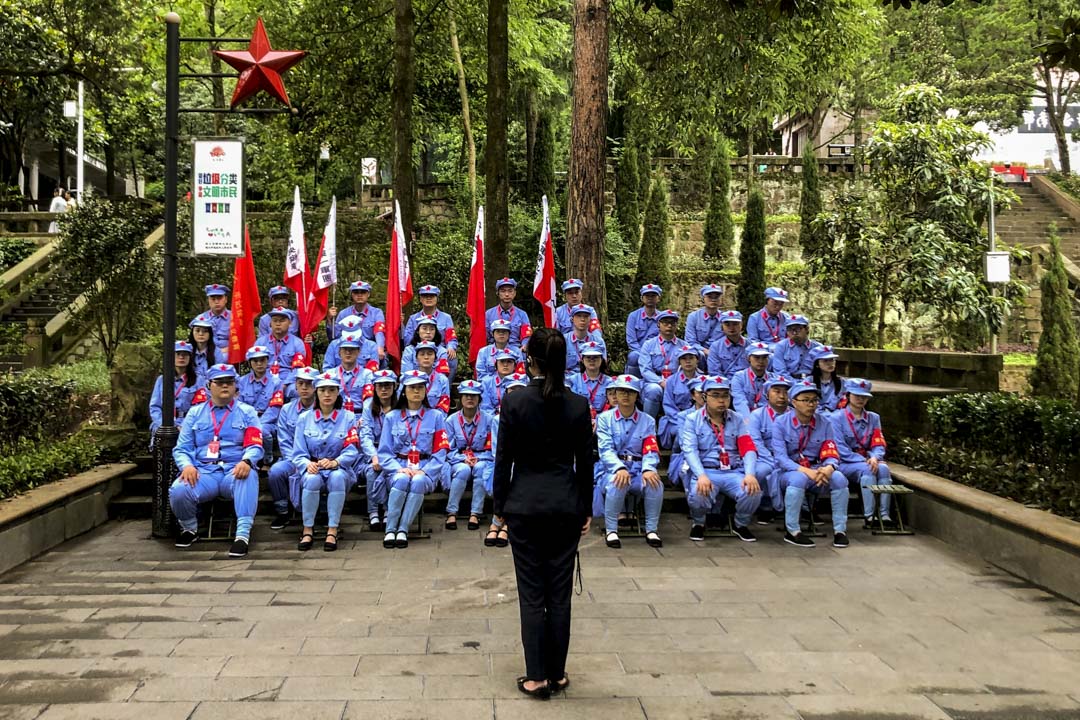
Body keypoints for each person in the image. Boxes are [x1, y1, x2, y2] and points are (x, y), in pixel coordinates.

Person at [493, 327, 593, 700]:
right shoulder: (578, 404)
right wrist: (586, 507)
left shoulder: (515, 401)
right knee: (560, 594)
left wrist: (499, 507)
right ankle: (557, 672)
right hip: (565, 505)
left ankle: (536, 676)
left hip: (525, 507)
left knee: (533, 593)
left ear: (530, 360)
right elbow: (586, 464)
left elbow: (504, 460)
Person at [170, 363, 264, 557]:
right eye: (219, 382)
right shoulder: (195, 414)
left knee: (248, 476)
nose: (225, 386)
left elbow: (255, 445)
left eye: (229, 382)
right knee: (179, 489)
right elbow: (182, 448)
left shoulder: (247, 412)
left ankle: (242, 535)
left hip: (233, 470)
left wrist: (247, 461)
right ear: (208, 385)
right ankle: (189, 528)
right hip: (204, 471)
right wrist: (186, 465)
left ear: (235, 385)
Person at [679, 376, 762, 542]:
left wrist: (750, 474)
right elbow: (690, 451)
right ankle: (699, 523)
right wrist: (701, 475)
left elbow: (748, 448)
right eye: (715, 395)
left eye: (725, 395)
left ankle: (741, 524)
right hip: (707, 469)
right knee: (698, 494)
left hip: (732, 470)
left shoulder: (737, 419)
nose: (721, 400)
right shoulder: (692, 419)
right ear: (705, 397)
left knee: (753, 491)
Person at [771, 379, 850, 548]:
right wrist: (806, 471)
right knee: (798, 479)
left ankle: (840, 531)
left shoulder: (825, 423)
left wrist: (829, 467)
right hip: (791, 471)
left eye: (814, 400)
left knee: (839, 478)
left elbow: (832, 451)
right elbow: (780, 458)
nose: (811, 404)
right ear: (793, 402)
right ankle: (792, 531)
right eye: (806, 400)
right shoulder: (780, 423)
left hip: (817, 470)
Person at [378, 370, 450, 549]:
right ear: (404, 390)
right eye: (412, 387)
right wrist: (397, 468)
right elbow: (384, 452)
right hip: (399, 467)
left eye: (420, 387)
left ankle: (403, 529)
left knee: (417, 481)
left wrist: (424, 470)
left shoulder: (436, 417)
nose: (416, 391)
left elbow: (441, 451)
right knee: (402, 479)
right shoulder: (391, 417)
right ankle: (390, 529)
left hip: (425, 467)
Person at [293, 372, 360, 552]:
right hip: (313, 467)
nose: (327, 394)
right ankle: (307, 530)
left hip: (338, 467)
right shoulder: (304, 419)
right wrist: (307, 464)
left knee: (337, 477)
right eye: (323, 390)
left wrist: (337, 462)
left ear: (338, 392)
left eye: (332, 390)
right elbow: (298, 452)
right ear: (316, 392)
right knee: (312, 479)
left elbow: (352, 449)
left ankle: (332, 529)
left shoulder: (348, 417)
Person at [597, 375, 663, 548]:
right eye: (621, 391)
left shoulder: (647, 420)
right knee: (617, 482)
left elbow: (650, 448)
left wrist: (648, 468)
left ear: (637, 395)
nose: (626, 395)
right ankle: (612, 530)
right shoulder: (604, 418)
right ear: (615, 394)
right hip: (613, 469)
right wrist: (618, 467)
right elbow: (605, 449)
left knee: (655, 483)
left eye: (631, 392)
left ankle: (652, 529)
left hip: (638, 468)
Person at [830, 378, 893, 528]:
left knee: (884, 469)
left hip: (869, 460)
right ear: (848, 395)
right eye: (857, 395)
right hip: (846, 463)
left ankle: (884, 514)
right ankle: (869, 516)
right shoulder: (836, 418)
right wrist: (865, 460)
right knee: (868, 470)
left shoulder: (873, 418)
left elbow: (878, 442)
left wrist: (875, 457)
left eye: (864, 396)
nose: (860, 399)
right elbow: (841, 449)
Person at [267, 366, 318, 530]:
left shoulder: (322, 409)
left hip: (317, 461)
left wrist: (312, 463)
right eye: (301, 383)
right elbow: (284, 439)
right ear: (295, 385)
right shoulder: (287, 409)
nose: (304, 388)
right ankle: (282, 512)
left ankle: (320, 512)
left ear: (316, 386)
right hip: (293, 459)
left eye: (309, 384)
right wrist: (297, 462)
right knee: (275, 472)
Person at [483, 373, 529, 548]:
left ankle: (505, 524)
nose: (516, 393)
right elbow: (497, 449)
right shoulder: (497, 419)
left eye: (520, 389)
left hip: (525, 462)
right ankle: (498, 520)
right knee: (503, 476)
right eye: (512, 389)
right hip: (504, 461)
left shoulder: (531, 415)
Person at [443, 380, 494, 531]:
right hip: (459, 458)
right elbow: (447, 448)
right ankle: (452, 512)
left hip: (481, 458)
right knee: (463, 470)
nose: (470, 399)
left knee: (480, 469)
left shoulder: (489, 420)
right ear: (460, 398)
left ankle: (475, 513)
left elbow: (492, 448)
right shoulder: (451, 420)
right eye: (466, 395)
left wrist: (479, 458)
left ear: (479, 399)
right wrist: (462, 459)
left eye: (474, 396)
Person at [747, 375, 792, 523]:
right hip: (765, 456)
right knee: (762, 471)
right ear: (767, 394)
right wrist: (772, 459)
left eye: (785, 392)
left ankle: (802, 508)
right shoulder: (757, 415)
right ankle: (765, 506)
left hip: (790, 456)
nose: (782, 396)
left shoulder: (794, 414)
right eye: (777, 391)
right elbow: (755, 442)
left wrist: (784, 459)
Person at [360, 369, 398, 531]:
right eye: (380, 386)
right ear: (374, 388)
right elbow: (366, 434)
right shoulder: (368, 406)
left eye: (388, 386)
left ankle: (390, 510)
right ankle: (373, 512)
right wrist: (374, 456)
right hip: (374, 451)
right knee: (372, 472)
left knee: (392, 472)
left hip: (396, 452)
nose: (384, 389)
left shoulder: (400, 407)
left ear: (394, 387)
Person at [236, 345, 284, 463]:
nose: (259, 364)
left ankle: (267, 458)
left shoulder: (276, 382)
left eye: (262, 360)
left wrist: (256, 424)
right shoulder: (242, 381)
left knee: (261, 430)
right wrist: (249, 421)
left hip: (268, 422)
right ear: (250, 363)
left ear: (267, 361)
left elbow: (275, 408)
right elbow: (239, 405)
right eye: (255, 361)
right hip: (246, 419)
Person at [149, 341, 199, 446]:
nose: (181, 357)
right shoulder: (162, 380)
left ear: (190, 358)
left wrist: (185, 426)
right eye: (178, 354)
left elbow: (199, 408)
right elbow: (155, 407)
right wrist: (163, 424)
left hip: (188, 423)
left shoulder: (198, 380)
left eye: (185, 354)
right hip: (164, 424)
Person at [402, 285, 458, 378]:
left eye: (432, 296)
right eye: (425, 296)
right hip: (418, 350)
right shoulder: (413, 318)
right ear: (420, 299)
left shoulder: (446, 318)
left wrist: (451, 347)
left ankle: (445, 387)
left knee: (451, 358)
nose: (428, 298)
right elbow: (407, 340)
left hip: (439, 350)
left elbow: (451, 337)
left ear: (436, 298)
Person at [638, 309, 684, 419]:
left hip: (676, 381)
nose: (669, 326)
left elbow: (687, 369)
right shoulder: (648, 345)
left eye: (672, 323)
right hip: (653, 381)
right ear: (658, 324)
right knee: (654, 390)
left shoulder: (683, 346)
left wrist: (673, 382)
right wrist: (660, 381)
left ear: (676, 325)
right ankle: (648, 425)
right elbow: (645, 370)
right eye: (665, 323)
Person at [328, 280, 388, 362]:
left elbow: (379, 332)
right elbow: (335, 336)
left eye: (363, 292)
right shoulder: (344, 314)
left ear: (368, 294)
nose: (359, 295)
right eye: (356, 292)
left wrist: (380, 348)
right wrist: (329, 319)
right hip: (348, 351)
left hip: (369, 351)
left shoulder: (376, 313)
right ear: (352, 295)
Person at [665, 376, 705, 491]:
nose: (703, 395)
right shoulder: (684, 416)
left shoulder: (721, 415)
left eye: (706, 392)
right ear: (693, 395)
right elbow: (684, 443)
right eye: (699, 392)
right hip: (689, 454)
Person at [659, 345, 703, 448]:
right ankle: (676, 460)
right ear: (679, 361)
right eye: (684, 358)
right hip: (676, 420)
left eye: (691, 358)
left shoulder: (705, 380)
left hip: (700, 418)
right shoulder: (671, 381)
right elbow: (668, 406)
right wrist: (683, 421)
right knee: (682, 433)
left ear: (697, 360)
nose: (687, 361)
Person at [255, 309, 308, 390]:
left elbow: (297, 369)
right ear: (270, 323)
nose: (278, 324)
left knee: (296, 391)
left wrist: (284, 385)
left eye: (282, 321)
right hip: (264, 380)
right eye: (275, 321)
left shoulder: (297, 343)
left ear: (290, 323)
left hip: (288, 382)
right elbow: (255, 366)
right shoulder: (260, 342)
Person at [624, 284, 662, 377]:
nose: (650, 298)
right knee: (633, 357)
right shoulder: (633, 316)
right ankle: (632, 383)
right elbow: (631, 341)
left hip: (656, 352)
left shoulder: (662, 318)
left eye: (653, 295)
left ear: (658, 298)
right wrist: (644, 354)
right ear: (642, 298)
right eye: (647, 296)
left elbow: (663, 340)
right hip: (638, 351)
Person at [485, 278, 532, 348]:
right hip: (494, 351)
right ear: (497, 293)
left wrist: (525, 346)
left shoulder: (522, 314)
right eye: (503, 291)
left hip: (516, 351)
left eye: (510, 291)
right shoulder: (488, 314)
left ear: (514, 293)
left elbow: (526, 335)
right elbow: (485, 336)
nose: (507, 294)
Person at [731, 342, 774, 418]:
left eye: (764, 357)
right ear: (748, 358)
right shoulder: (739, 377)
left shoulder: (773, 379)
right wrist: (747, 420)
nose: (761, 361)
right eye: (757, 357)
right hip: (747, 417)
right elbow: (740, 402)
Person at [568, 344, 611, 419]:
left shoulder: (610, 382)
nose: (592, 360)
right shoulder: (572, 380)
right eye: (588, 357)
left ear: (602, 359)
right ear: (582, 360)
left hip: (602, 421)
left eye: (596, 357)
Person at [684, 284, 725, 358]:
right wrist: (707, 352)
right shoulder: (693, 317)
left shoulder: (724, 318)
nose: (713, 300)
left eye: (716, 297)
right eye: (709, 297)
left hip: (720, 354)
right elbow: (690, 342)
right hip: (699, 354)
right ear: (703, 299)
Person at [563, 304, 606, 370]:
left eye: (586, 316)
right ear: (572, 319)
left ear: (590, 320)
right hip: (568, 378)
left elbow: (603, 366)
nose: (582, 319)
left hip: (591, 376)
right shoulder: (563, 340)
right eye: (578, 316)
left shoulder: (598, 341)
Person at [707, 310, 749, 377]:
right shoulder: (716, 347)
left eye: (735, 324)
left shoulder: (750, 346)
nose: (731, 327)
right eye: (727, 324)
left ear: (741, 325)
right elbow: (714, 372)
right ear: (722, 326)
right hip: (725, 384)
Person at [188, 318, 225, 385]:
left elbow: (219, 375)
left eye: (205, 331)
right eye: (197, 330)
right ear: (192, 332)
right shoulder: (186, 350)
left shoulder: (216, 352)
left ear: (210, 333)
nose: (201, 334)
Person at [194, 284, 232, 350]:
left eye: (219, 298)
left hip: (230, 355)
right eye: (213, 299)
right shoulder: (200, 319)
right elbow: (194, 342)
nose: (216, 302)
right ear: (208, 300)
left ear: (226, 299)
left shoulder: (235, 318)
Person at [481, 349, 520, 414]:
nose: (505, 365)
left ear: (515, 366)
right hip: (493, 420)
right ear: (496, 365)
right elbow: (486, 408)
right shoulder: (486, 382)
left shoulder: (522, 381)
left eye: (509, 361)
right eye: (502, 361)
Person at [810, 345, 843, 415]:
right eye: (825, 360)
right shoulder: (808, 382)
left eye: (832, 360)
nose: (830, 363)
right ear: (817, 364)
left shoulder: (842, 383)